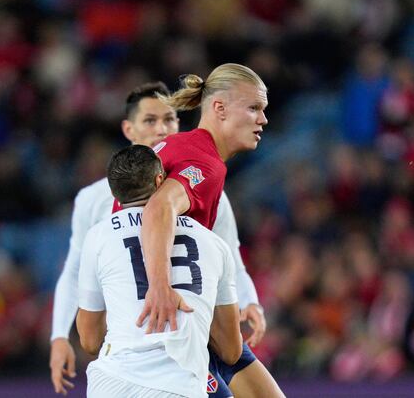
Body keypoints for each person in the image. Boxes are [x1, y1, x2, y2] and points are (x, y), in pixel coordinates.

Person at [50, 81, 267, 396]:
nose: (162, 128)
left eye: (169, 119)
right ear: (129, 130)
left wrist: (250, 302)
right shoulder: (94, 198)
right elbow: (73, 271)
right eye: (150, 121)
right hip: (155, 335)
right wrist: (59, 336)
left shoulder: (200, 182)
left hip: (195, 325)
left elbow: (231, 256)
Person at [139, 64, 284, 397]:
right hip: (168, 327)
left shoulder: (176, 148)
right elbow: (159, 208)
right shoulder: (205, 164)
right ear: (219, 108)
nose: (263, 120)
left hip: (178, 318)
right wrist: (160, 286)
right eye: (254, 108)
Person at [77, 144, 242, 398]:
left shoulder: (98, 237)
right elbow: (231, 350)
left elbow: (89, 340)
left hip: (112, 383)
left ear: (113, 193)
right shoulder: (214, 244)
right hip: (179, 385)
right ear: (160, 180)